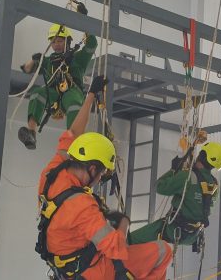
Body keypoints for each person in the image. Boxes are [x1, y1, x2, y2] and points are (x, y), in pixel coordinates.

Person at [35, 76, 171, 279]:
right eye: (101, 174)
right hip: (93, 270)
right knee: (163, 251)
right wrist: (123, 222)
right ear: (92, 169)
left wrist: (91, 95)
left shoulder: (53, 172)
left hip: (66, 264)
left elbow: (73, 132)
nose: (99, 179)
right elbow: (117, 248)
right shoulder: (82, 205)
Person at [18, 0, 98, 150]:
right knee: (37, 94)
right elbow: (27, 69)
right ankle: (31, 133)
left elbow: (92, 44)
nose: (56, 45)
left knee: (74, 103)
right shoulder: (47, 61)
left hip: (72, 90)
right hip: (53, 92)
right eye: (53, 42)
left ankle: (75, 142)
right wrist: (34, 59)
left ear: (67, 41)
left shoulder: (78, 58)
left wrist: (84, 19)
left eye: (60, 41)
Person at [129, 142, 221, 249]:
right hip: (193, 236)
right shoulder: (214, 184)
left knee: (132, 239)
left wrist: (173, 170)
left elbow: (160, 186)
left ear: (202, 155)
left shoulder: (188, 177)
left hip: (174, 230)